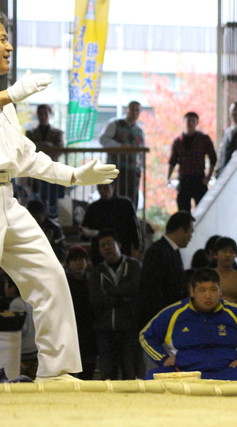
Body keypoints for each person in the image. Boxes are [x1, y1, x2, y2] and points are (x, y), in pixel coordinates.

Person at [0, 11, 118, 382]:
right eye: (1, 38)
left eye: (7, 37)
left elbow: (27, 157)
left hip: (6, 197)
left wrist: (73, 175)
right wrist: (9, 94)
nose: (8, 46)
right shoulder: (6, 98)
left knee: (49, 275)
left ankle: (55, 371)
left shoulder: (7, 107)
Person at [139, 267, 237, 380]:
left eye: (213, 289)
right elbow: (145, 336)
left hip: (228, 371)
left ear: (220, 291)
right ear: (192, 292)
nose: (208, 295)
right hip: (184, 371)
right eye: (202, 290)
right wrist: (163, 359)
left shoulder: (235, 313)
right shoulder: (173, 313)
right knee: (154, 377)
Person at [88, 230, 141, 380]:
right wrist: (120, 299)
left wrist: (109, 292)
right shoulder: (97, 272)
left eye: (109, 244)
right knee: (107, 375)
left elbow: (135, 288)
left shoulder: (133, 266)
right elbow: (96, 300)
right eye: (102, 245)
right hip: (105, 331)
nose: (106, 248)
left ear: (119, 245)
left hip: (128, 328)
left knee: (129, 372)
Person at [138, 211, 194, 329]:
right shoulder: (157, 251)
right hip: (160, 319)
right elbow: (152, 289)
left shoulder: (172, 250)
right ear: (181, 231)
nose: (191, 237)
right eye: (190, 232)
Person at [80, 182, 142, 265]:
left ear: (113, 186)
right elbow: (84, 234)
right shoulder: (92, 208)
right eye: (100, 188)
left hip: (123, 250)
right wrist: (85, 233)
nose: (102, 191)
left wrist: (137, 248)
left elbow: (134, 228)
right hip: (100, 255)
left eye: (105, 187)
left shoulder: (125, 205)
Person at [167, 112, 216, 212]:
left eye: (193, 121)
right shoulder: (178, 141)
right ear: (183, 122)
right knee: (183, 211)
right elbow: (172, 161)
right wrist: (168, 178)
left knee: (202, 210)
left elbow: (213, 158)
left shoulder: (204, 139)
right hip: (184, 179)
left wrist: (208, 177)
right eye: (188, 121)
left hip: (199, 179)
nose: (190, 123)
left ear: (197, 123)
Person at [99, 100, 145, 208]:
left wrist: (141, 167)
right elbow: (103, 140)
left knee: (132, 197)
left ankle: (131, 217)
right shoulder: (115, 124)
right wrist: (120, 146)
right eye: (132, 109)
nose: (134, 113)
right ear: (126, 110)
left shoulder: (139, 131)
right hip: (116, 168)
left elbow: (142, 151)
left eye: (137, 110)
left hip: (133, 170)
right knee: (115, 197)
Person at [25, 104, 65, 216]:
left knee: (53, 198)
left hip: (52, 169)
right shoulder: (30, 132)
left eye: (45, 114)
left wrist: (41, 147)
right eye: (40, 114)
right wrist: (47, 146)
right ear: (37, 115)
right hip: (36, 170)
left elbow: (60, 150)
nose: (43, 116)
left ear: (49, 115)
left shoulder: (58, 133)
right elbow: (27, 149)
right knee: (37, 198)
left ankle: (52, 217)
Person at [64, 246, 97, 380]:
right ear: (68, 264)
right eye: (75, 260)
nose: (79, 263)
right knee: (69, 368)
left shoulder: (92, 280)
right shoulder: (63, 282)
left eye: (82, 260)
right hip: (69, 328)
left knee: (88, 366)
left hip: (89, 329)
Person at [5, 275, 38, 379]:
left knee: (17, 383)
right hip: (34, 350)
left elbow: (21, 328)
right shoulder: (32, 301)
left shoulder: (16, 304)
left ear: (13, 287)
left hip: (23, 352)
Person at [211, 237, 237, 309]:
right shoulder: (208, 275)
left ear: (236, 255)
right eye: (224, 251)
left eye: (232, 252)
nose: (228, 255)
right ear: (216, 254)